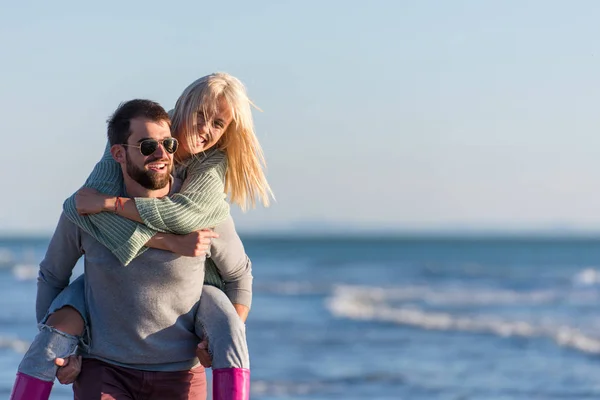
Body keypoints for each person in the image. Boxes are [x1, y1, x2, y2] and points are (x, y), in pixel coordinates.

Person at [10, 98, 257, 400]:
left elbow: (239, 276)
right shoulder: (88, 209)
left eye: (168, 143)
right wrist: (64, 351)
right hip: (104, 371)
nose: (161, 154)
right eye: (146, 146)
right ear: (118, 153)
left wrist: (215, 339)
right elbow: (51, 275)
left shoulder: (201, 213)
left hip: (181, 374)